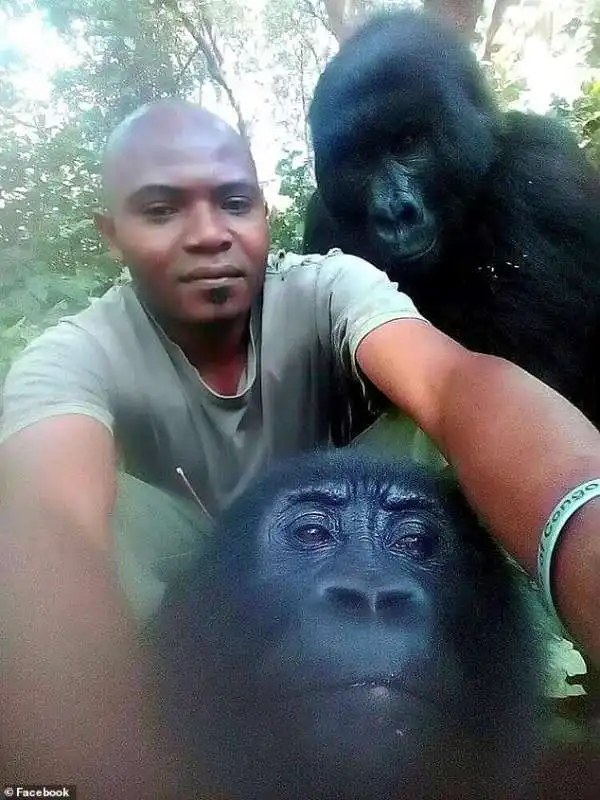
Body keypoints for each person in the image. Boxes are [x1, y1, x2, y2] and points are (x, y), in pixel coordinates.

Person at [1, 99, 599, 797]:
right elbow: (49, 521)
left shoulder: (326, 284)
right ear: (113, 233)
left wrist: (585, 522)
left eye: (232, 202)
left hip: (357, 508)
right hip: (200, 552)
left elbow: (452, 386)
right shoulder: (78, 350)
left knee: (453, 437)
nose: (208, 235)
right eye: (162, 210)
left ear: (261, 209)